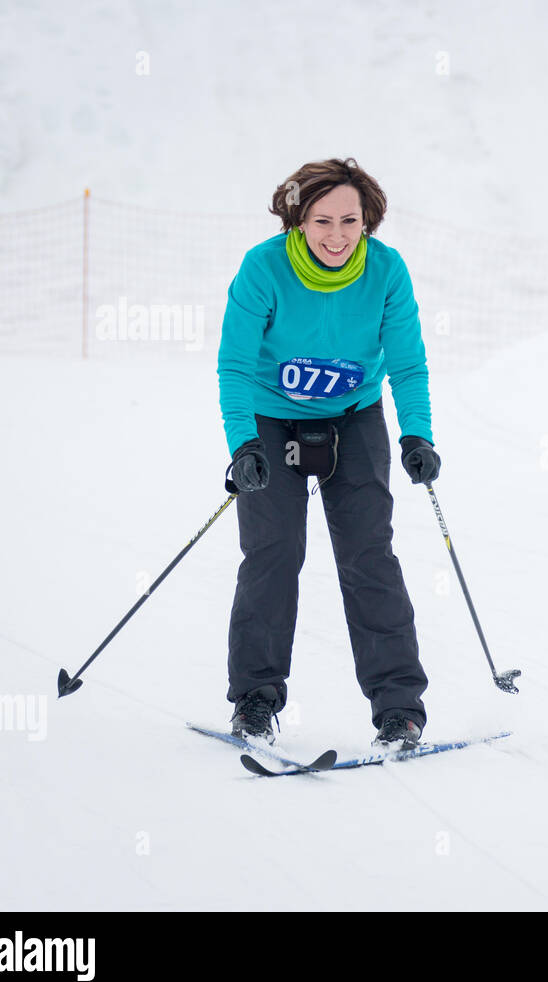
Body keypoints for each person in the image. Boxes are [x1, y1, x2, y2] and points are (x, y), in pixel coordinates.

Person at [216, 156, 440, 750]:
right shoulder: (263, 268)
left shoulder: (387, 272)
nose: (337, 235)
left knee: (370, 556)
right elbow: (235, 365)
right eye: (322, 220)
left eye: (350, 220)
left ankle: (400, 710)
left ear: (368, 220)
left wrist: (417, 433)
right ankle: (255, 703)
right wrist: (242, 444)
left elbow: (409, 363)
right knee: (272, 552)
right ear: (298, 219)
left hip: (354, 418)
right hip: (270, 417)